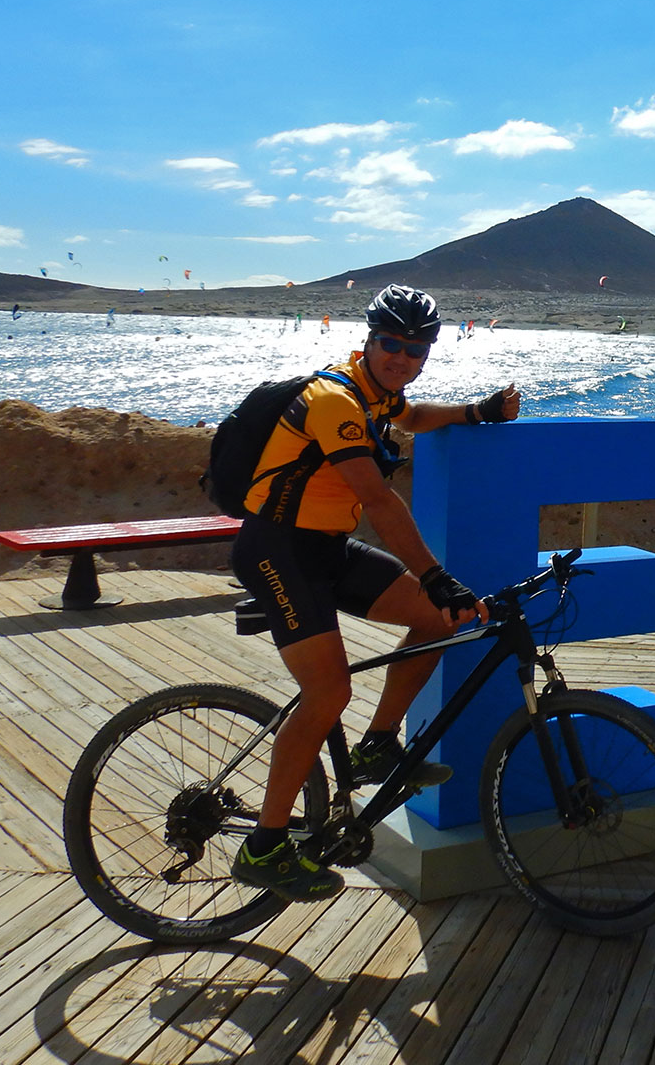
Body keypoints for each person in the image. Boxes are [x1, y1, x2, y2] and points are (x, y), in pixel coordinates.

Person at [228, 283, 521, 901]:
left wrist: (476, 412)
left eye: (417, 349)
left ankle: (377, 749)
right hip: (277, 549)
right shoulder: (333, 398)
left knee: (439, 622)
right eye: (392, 344)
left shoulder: (379, 394)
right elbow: (379, 500)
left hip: (326, 550)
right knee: (330, 690)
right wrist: (436, 575)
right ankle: (265, 846)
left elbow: (411, 417)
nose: (403, 358)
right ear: (369, 338)